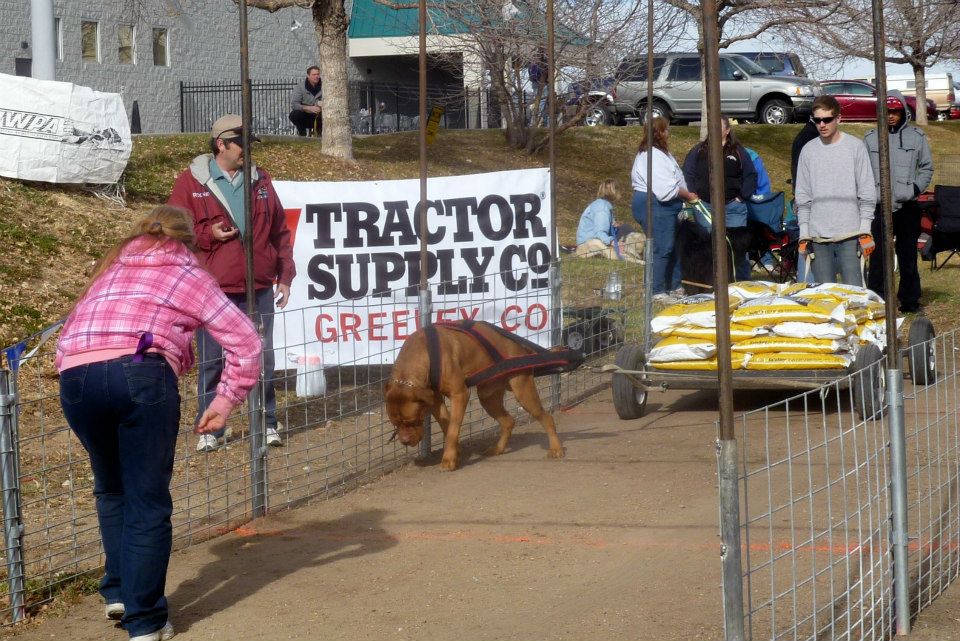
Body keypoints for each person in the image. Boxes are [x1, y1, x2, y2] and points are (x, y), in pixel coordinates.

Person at [56, 206, 261, 641]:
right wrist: (224, 401)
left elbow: (68, 333)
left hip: (76, 375)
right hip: (140, 373)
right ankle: (145, 620)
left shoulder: (108, 270)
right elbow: (245, 340)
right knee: (147, 499)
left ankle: (118, 592)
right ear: (189, 242)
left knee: (111, 487)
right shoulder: (189, 274)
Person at [168, 114, 296, 452]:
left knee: (263, 357)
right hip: (212, 291)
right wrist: (207, 234)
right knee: (212, 361)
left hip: (259, 287)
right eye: (241, 143)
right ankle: (211, 427)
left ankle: (266, 421)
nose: (247, 150)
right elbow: (172, 232)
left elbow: (281, 231)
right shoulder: (189, 183)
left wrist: (285, 274)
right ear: (221, 144)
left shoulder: (262, 180)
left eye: (249, 144)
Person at [795, 95, 877, 285]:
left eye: (827, 119)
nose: (822, 124)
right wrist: (804, 232)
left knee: (854, 297)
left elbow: (866, 191)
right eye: (817, 120)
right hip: (818, 237)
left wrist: (865, 229)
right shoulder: (808, 151)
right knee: (824, 297)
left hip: (850, 235)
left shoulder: (855, 147)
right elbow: (803, 196)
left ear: (838, 119)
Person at [864, 91, 934, 313]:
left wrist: (914, 189)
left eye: (895, 111)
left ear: (903, 112)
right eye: (887, 112)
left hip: (907, 206)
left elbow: (926, 167)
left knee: (907, 255)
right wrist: (869, 194)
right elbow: (861, 171)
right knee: (877, 258)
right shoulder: (869, 138)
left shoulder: (917, 137)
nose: (891, 116)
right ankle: (879, 300)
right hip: (878, 205)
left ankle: (910, 300)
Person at [631, 117, 699, 302]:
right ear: (659, 132)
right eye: (666, 130)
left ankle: (674, 285)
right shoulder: (650, 155)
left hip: (669, 205)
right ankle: (656, 291)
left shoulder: (662, 154)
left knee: (673, 246)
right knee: (662, 247)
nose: (668, 133)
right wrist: (688, 195)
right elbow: (665, 188)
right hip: (655, 204)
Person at [682, 115, 758, 280]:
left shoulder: (738, 151)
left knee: (737, 250)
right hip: (705, 207)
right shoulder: (698, 151)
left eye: (719, 127)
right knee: (709, 250)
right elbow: (687, 173)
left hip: (733, 208)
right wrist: (692, 194)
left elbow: (751, 175)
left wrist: (742, 197)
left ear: (727, 130)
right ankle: (713, 284)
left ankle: (742, 282)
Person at [575, 179, 644, 262]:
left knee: (626, 228)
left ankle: (635, 252)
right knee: (625, 240)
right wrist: (614, 243)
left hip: (595, 239)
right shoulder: (602, 208)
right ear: (614, 192)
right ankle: (635, 258)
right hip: (589, 244)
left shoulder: (602, 204)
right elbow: (600, 233)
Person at [289, 65, 323, 137]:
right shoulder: (300, 87)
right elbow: (294, 104)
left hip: (321, 115)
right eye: (314, 74)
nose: (316, 76)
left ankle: (320, 135)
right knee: (294, 114)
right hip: (306, 115)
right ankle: (302, 134)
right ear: (308, 75)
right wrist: (309, 108)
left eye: (318, 74)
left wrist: (321, 106)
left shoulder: (325, 86)